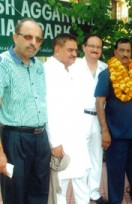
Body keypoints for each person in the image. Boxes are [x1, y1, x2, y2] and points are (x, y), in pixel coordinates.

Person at [0, 18, 50, 204]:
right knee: (15, 193)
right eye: (28, 37)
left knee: (39, 191)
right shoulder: (3, 64)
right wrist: (0, 152)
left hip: (41, 139)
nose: (34, 43)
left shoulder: (39, 66)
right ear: (15, 37)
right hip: (15, 140)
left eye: (38, 39)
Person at [95, 38, 132, 204]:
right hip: (116, 134)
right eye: (122, 50)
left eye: (128, 51)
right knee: (116, 172)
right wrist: (105, 131)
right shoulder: (107, 74)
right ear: (115, 52)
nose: (125, 54)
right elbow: (100, 102)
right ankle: (116, 201)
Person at [44, 33, 91, 203]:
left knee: (81, 180)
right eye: (69, 50)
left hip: (77, 138)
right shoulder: (47, 71)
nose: (74, 54)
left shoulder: (71, 69)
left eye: (75, 50)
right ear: (57, 50)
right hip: (61, 141)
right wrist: (54, 142)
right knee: (60, 185)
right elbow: (48, 110)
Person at [71, 34, 109, 204]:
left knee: (96, 156)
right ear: (84, 47)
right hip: (80, 117)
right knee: (80, 158)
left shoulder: (106, 68)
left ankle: (94, 192)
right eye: (91, 46)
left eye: (98, 47)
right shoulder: (73, 66)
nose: (95, 49)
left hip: (99, 119)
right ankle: (82, 196)